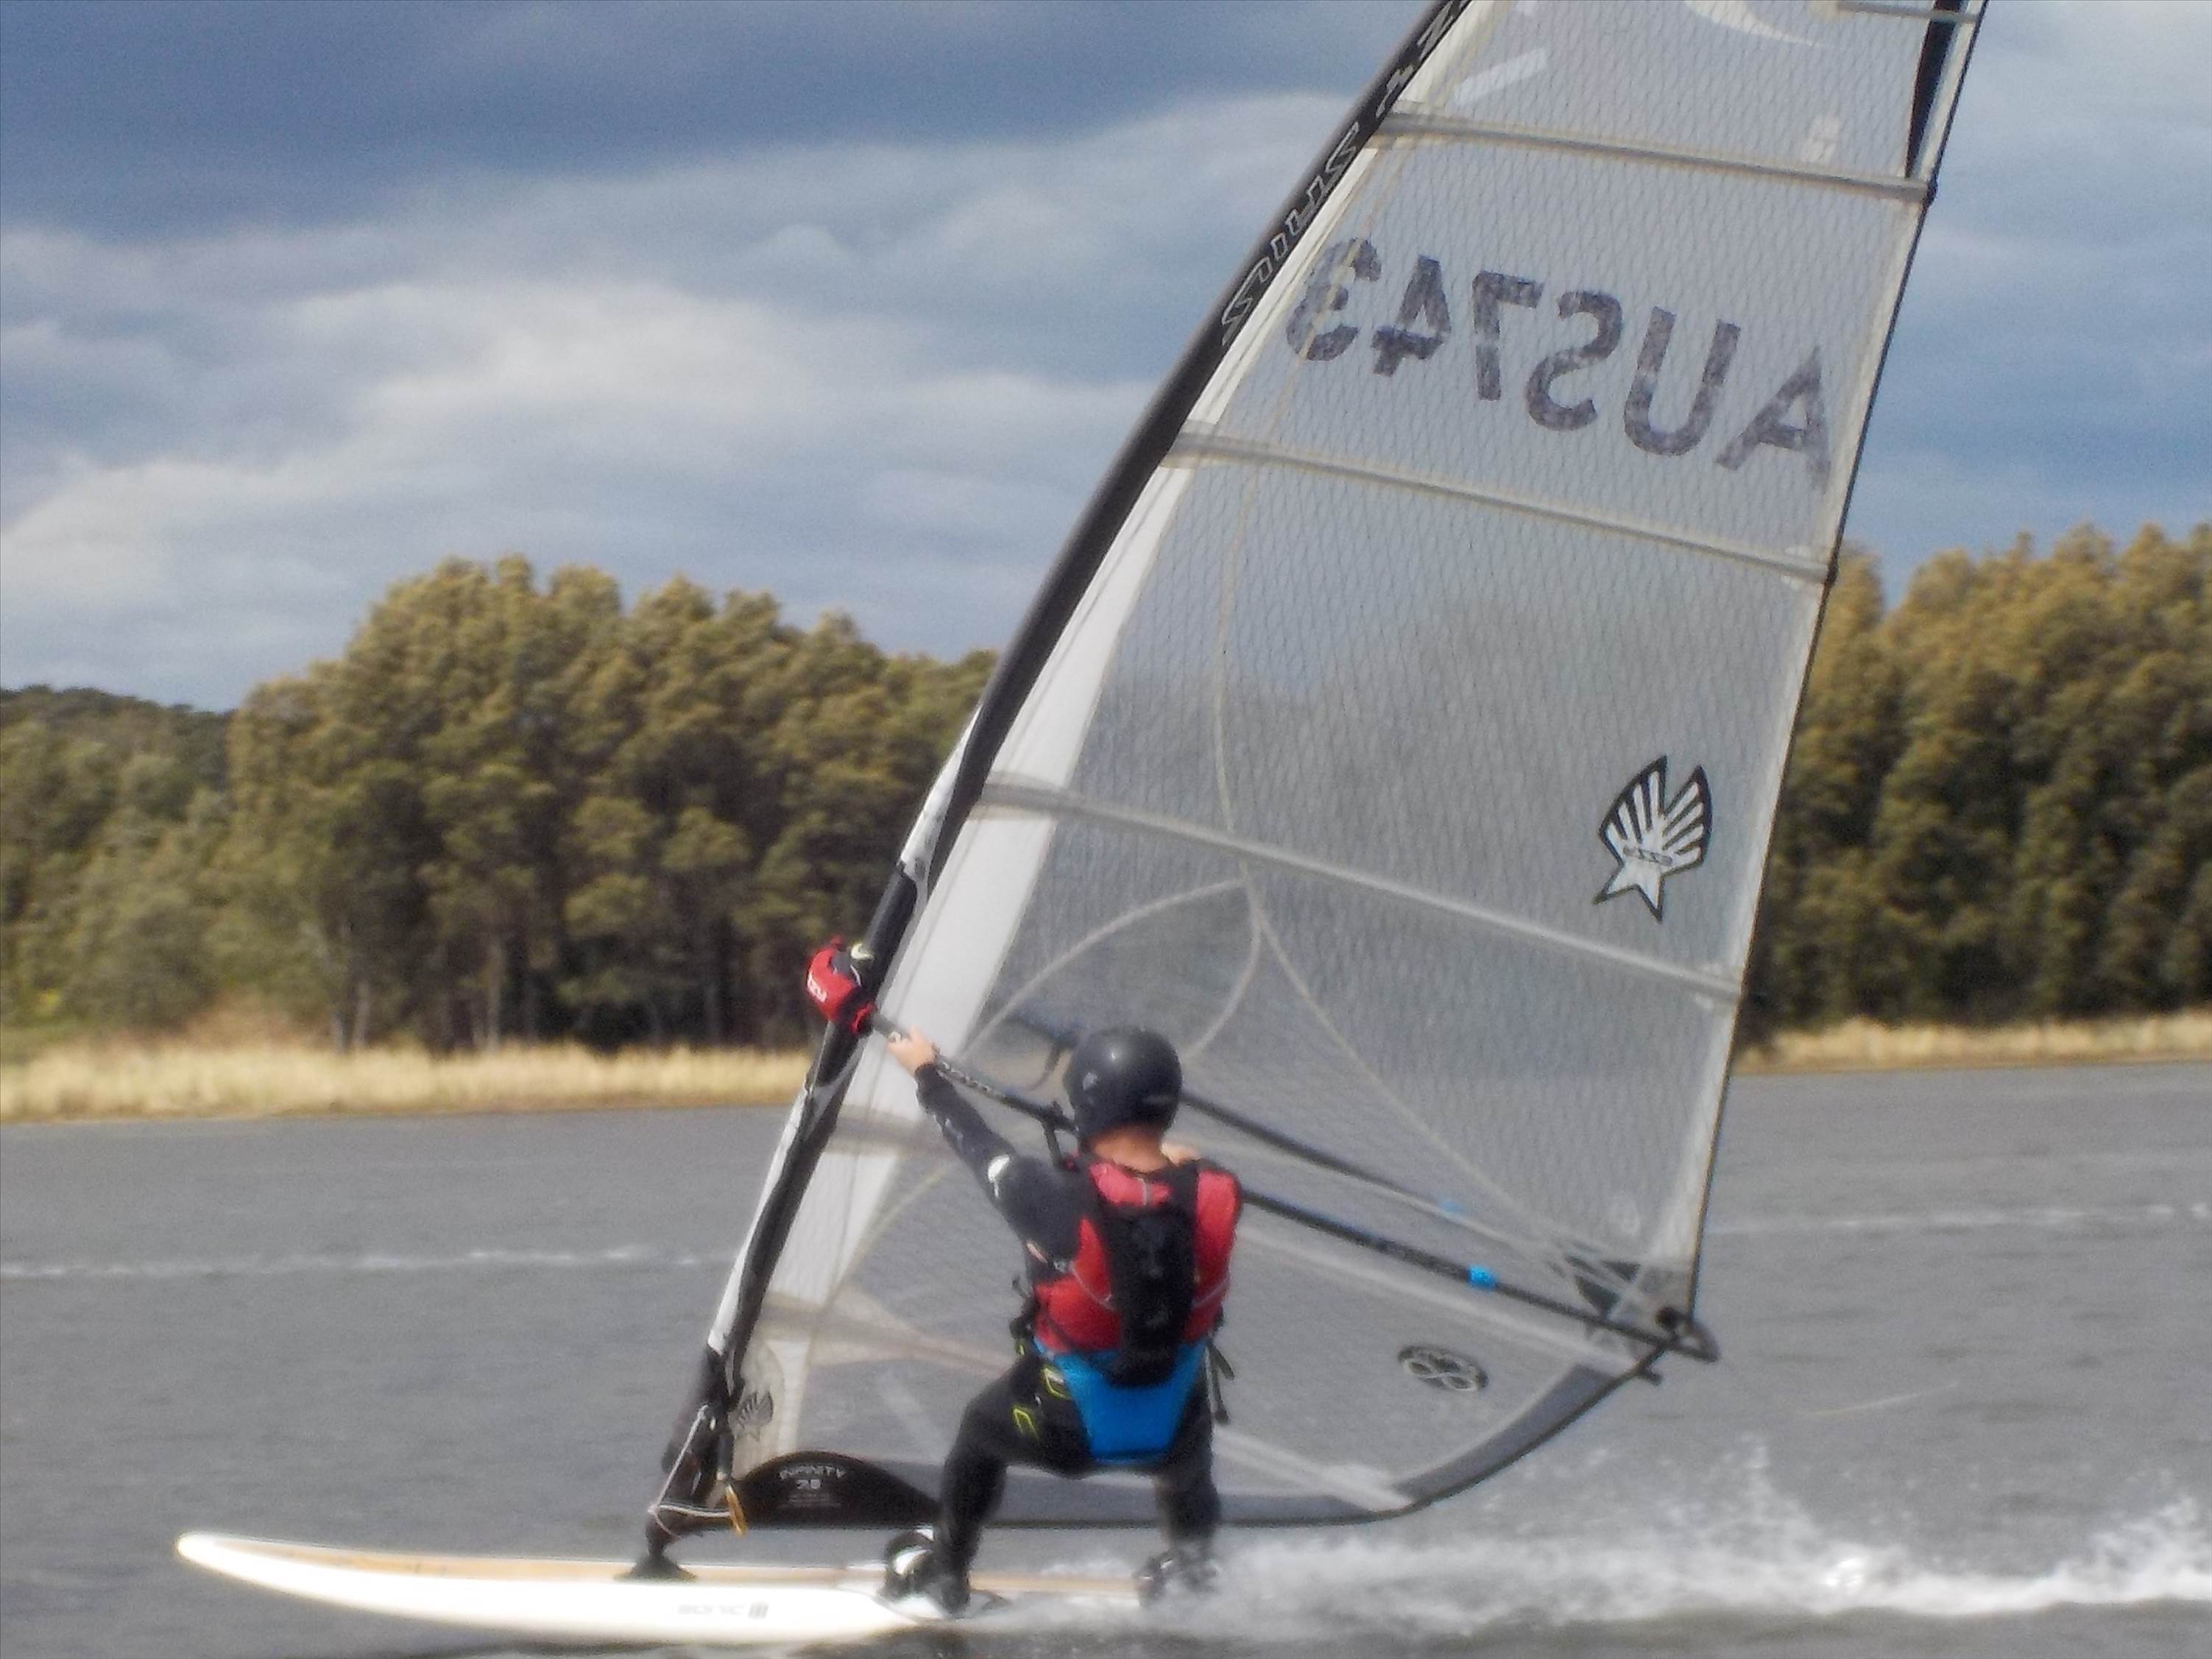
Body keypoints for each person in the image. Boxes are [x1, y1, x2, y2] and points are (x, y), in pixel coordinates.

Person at [877, 1024, 1242, 1616]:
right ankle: (1193, 1572)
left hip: (1062, 1432)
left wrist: (925, 1074)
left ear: (1089, 1106)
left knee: (978, 1433)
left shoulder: (1043, 1193)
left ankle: (945, 1574)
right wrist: (1183, 1159)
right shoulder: (1221, 1192)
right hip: (1167, 1435)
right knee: (1189, 1440)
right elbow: (1192, 1171)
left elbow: (975, 1142)